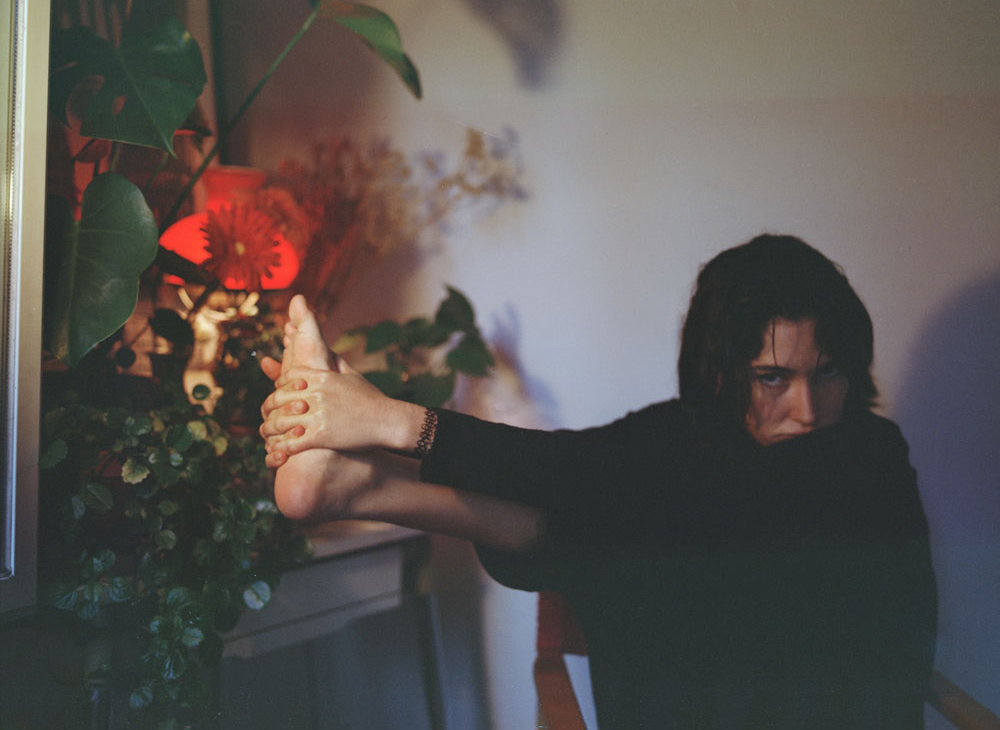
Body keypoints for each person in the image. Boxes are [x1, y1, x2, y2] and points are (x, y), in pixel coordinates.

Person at [259, 234, 937, 730]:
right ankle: (357, 486)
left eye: (828, 372)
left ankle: (366, 485)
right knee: (616, 514)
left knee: (617, 516)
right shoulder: (679, 440)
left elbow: (578, 471)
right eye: (773, 379)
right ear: (721, 373)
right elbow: (579, 470)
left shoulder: (870, 454)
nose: (808, 410)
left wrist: (397, 422)